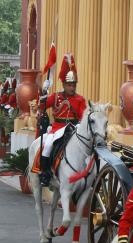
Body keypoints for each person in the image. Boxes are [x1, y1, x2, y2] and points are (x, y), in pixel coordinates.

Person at [38, 53, 87, 187]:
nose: (72, 87)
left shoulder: (80, 99)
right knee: (47, 145)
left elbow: (83, 117)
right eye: (69, 85)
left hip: (72, 128)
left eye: (73, 85)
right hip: (57, 128)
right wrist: (43, 93)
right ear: (64, 84)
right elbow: (41, 106)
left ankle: (86, 173)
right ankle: (45, 173)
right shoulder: (55, 96)